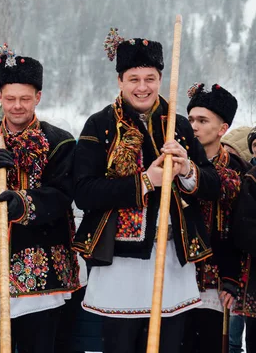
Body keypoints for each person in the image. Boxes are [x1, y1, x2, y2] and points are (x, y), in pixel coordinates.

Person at [73, 28, 220, 353]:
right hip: (119, 265)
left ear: (161, 78)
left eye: (150, 78)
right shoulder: (100, 125)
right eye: (134, 78)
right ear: (120, 81)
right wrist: (144, 182)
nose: (143, 87)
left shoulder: (178, 126)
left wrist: (187, 170)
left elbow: (213, 185)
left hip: (171, 263)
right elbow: (83, 191)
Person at [0, 43, 80, 352]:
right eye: (10, 98)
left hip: (43, 278)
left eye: (25, 99)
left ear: (38, 97)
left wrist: (23, 203)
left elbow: (64, 195)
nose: (17, 106)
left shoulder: (59, 143)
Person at [182, 83, 248, 352]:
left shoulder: (236, 168)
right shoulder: (176, 160)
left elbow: (238, 227)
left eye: (202, 120)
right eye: (190, 120)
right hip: (177, 270)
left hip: (215, 277)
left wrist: (231, 278)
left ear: (223, 129)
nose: (194, 126)